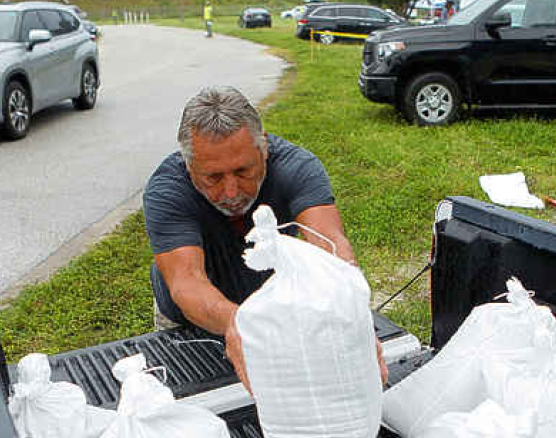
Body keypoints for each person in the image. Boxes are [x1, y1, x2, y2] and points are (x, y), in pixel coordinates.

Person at [143, 86, 386, 388]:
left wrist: (349, 305)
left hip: (271, 310)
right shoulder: (167, 190)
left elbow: (330, 245)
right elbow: (187, 281)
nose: (231, 192)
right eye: (213, 178)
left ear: (264, 148)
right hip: (190, 321)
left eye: (243, 171)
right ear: (189, 166)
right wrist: (235, 322)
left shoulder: (297, 168)